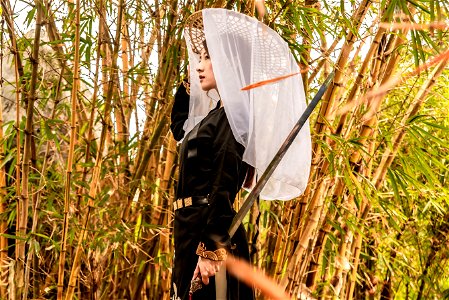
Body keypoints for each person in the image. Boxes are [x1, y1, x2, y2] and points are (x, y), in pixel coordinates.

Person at [170, 8, 311, 300]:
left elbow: (223, 187)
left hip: (209, 233)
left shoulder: (235, 121)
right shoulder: (213, 118)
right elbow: (179, 130)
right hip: (189, 229)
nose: (200, 65)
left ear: (228, 64)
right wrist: (188, 82)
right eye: (201, 58)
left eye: (209, 58)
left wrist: (211, 250)